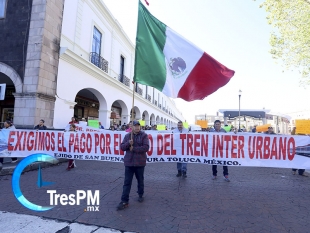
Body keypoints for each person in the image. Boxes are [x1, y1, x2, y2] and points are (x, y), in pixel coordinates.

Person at [117, 120, 149, 210]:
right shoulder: (127, 136)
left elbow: (146, 147)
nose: (137, 127)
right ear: (132, 127)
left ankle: (140, 194)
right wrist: (128, 143)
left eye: (138, 126)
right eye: (135, 126)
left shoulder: (144, 135)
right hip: (129, 163)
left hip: (140, 163)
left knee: (140, 180)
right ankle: (124, 200)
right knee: (127, 182)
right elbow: (122, 147)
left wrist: (134, 148)